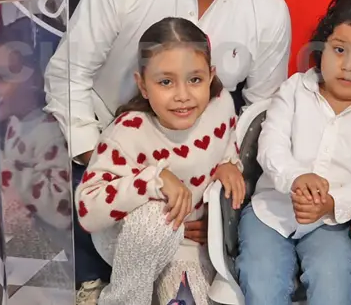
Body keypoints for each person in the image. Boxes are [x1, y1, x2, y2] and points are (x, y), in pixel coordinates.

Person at [43, 0, 291, 303]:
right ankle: (97, 283)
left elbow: (259, 117)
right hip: (104, 163)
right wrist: (102, 161)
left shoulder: (269, 12)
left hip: (196, 185)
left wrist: (216, 204)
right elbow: (68, 75)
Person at [236, 0, 351, 305]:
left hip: (335, 223)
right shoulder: (294, 89)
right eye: (339, 50)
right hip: (271, 212)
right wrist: (296, 178)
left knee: (333, 276)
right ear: (320, 47)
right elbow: (271, 145)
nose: (348, 65)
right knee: (261, 275)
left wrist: (332, 203)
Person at [75, 17, 246, 305]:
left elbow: (226, 140)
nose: (183, 96)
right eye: (166, 82)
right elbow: (87, 209)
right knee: (155, 219)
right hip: (126, 239)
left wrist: (229, 162)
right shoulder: (127, 132)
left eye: (195, 80)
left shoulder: (221, 106)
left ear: (211, 76)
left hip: (186, 244)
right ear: (143, 86)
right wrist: (153, 180)